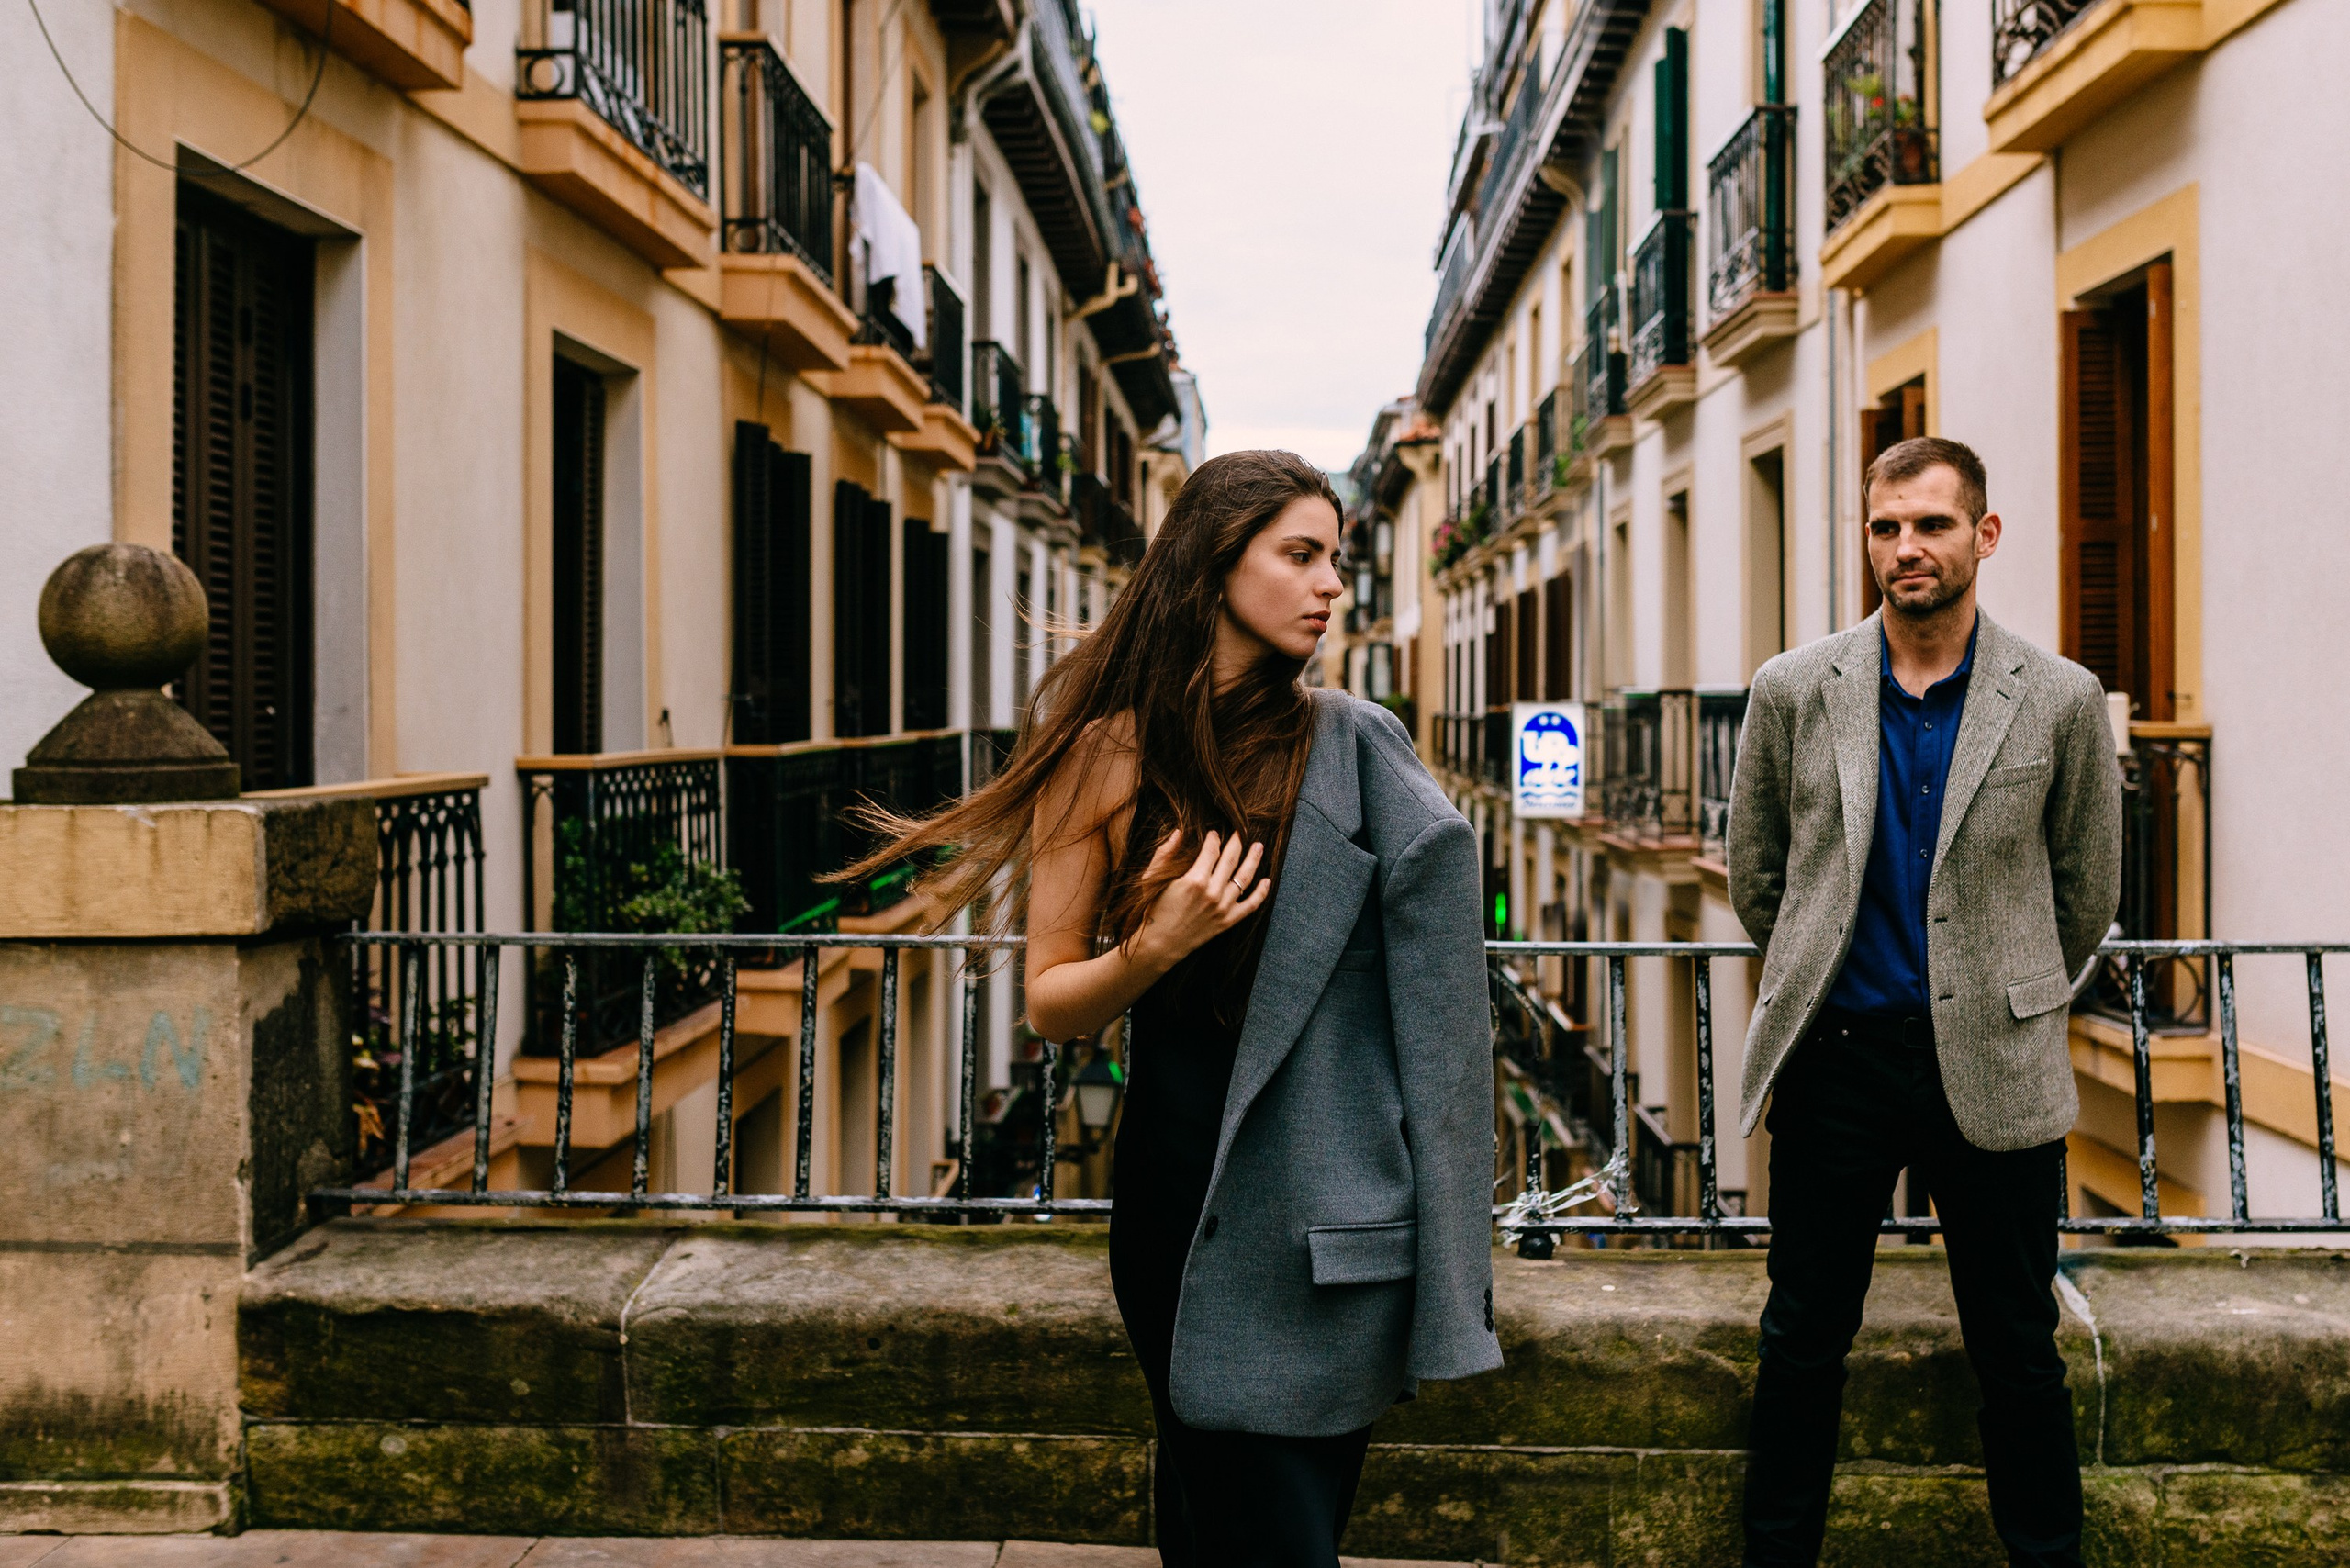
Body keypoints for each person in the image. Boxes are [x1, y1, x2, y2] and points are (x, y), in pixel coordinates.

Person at [842, 449, 1501, 1565]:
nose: (1330, 584)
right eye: (1298, 556)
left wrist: (1452, 1283)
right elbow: (1052, 1005)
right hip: (1178, 1213)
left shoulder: (1360, 748)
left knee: (1235, 1536)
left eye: (1333, 560)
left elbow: (1446, 1046)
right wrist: (1154, 948)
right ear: (1211, 566)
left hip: (1337, 1227)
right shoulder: (1106, 751)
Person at [1726, 437, 2121, 1567]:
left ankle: (2044, 1555)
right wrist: (1817, 963)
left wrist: (2004, 987)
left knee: (2016, 1347)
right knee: (1802, 1339)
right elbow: (1758, 872)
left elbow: (2086, 888)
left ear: (1982, 536)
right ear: (1867, 539)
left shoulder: (2055, 699)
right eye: (1886, 526)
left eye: (1932, 525)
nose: (1907, 548)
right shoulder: (1793, 690)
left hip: (1990, 1066)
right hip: (1834, 1059)